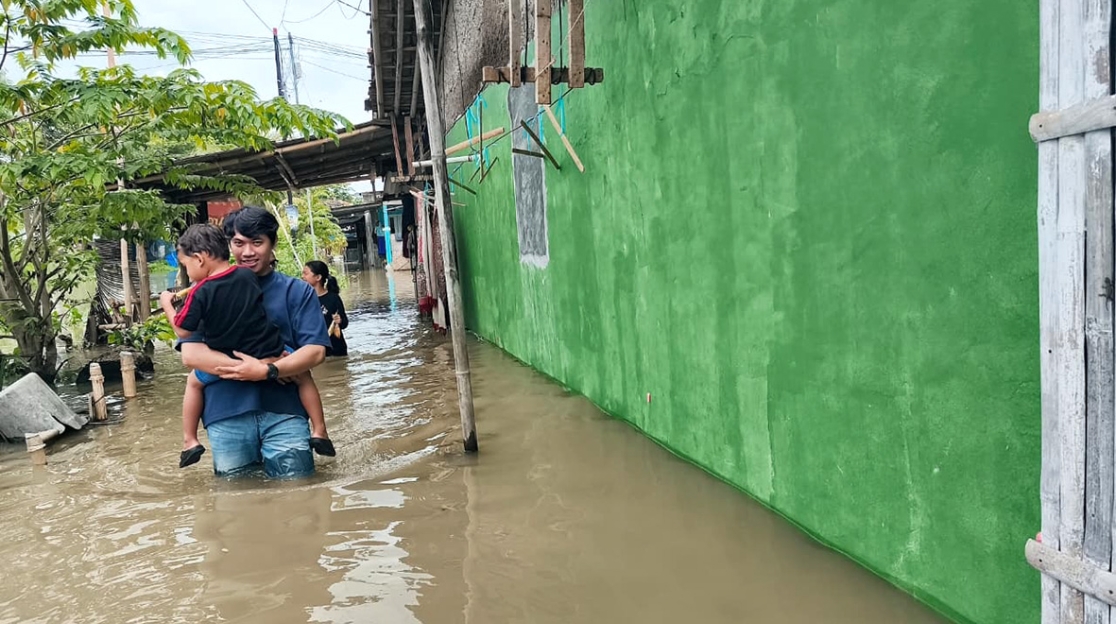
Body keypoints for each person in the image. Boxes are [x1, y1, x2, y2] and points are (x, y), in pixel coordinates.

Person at [170, 207, 334, 478]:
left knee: (299, 495)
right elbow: (192, 354)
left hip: (285, 414)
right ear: (228, 245)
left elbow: (316, 352)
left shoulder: (297, 291)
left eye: (257, 242)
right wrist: (255, 368)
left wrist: (269, 371)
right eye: (238, 243)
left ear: (273, 244)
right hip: (226, 415)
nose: (247, 252)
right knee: (236, 504)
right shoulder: (205, 290)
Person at [301, 260, 349, 357]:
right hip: (314, 350)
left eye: (306, 274)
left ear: (318, 277)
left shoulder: (333, 298)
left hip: (335, 350)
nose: (302, 277)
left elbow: (344, 323)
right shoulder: (303, 299)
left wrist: (340, 321)